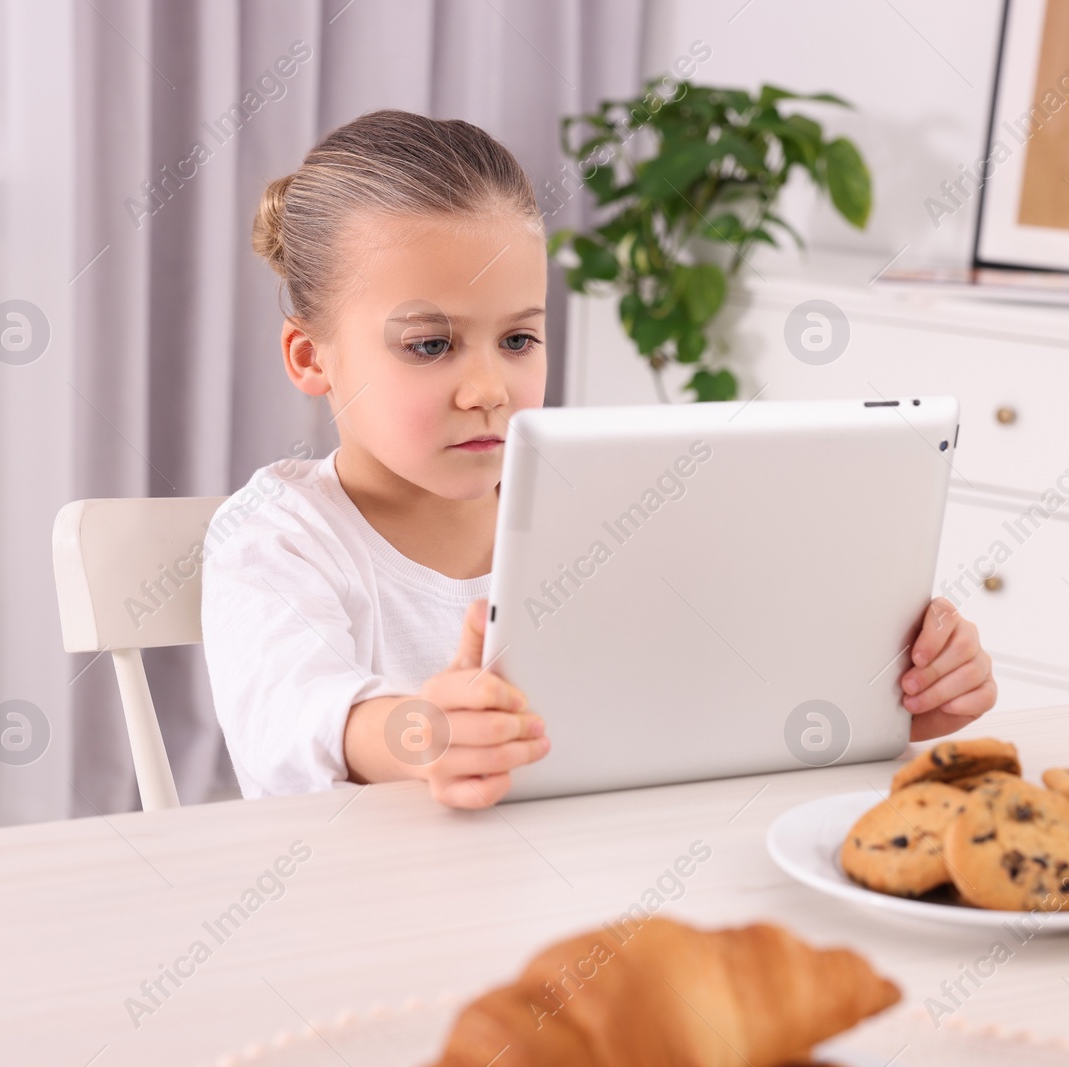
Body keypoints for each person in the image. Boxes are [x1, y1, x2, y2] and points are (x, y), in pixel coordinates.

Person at [201, 110, 995, 809]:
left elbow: (697, 696)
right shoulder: (277, 540)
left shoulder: (595, 508)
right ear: (311, 357)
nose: (487, 388)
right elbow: (295, 717)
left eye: (518, 338)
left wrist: (893, 699)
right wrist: (427, 732)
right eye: (430, 344)